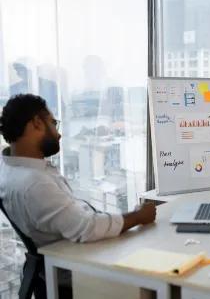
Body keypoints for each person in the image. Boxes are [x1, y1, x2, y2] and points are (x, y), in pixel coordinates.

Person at [0, 94, 156, 248]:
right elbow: (86, 227)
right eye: (53, 123)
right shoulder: (34, 183)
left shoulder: (10, 169)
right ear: (36, 123)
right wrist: (138, 216)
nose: (59, 134)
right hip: (78, 261)